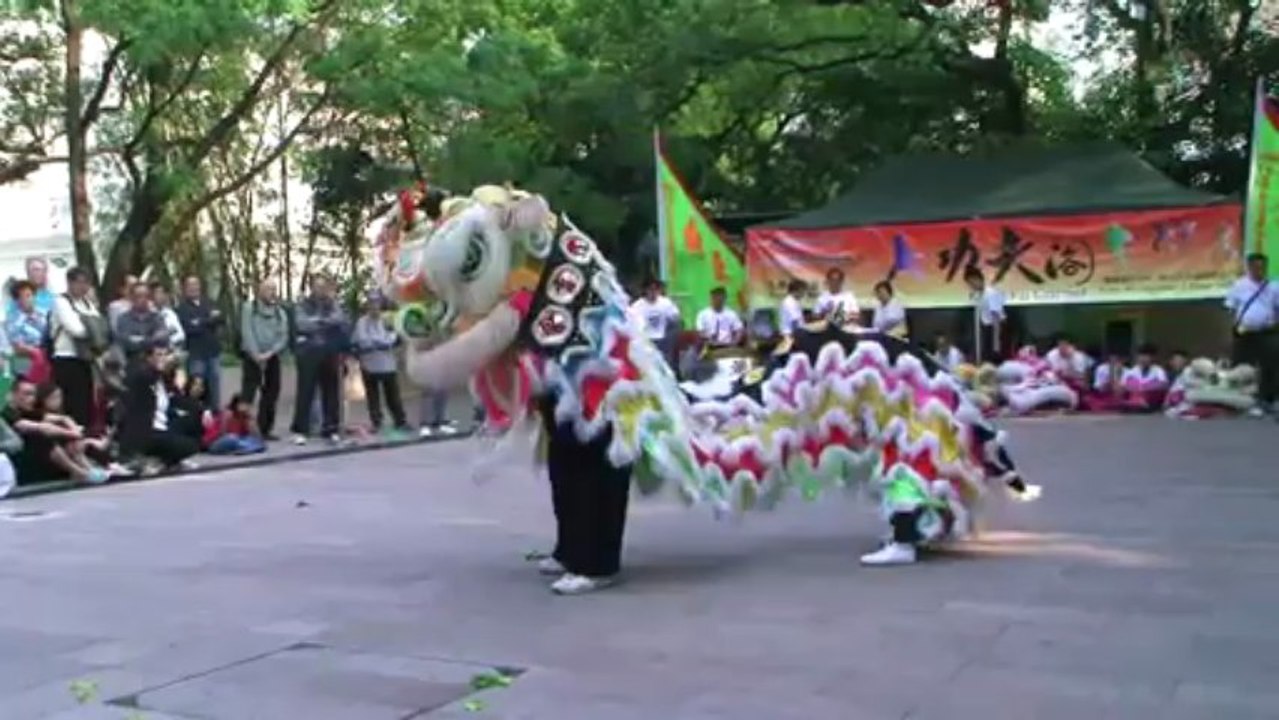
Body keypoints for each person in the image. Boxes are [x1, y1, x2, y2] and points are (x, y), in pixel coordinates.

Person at [2, 378, 109, 485]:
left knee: (69, 437)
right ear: (13, 395)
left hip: (36, 455)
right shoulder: (8, 413)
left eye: (33, 394)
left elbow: (63, 418)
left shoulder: (27, 411)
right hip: (16, 456)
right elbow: (42, 427)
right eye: (27, 394)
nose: (32, 399)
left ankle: (88, 468)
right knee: (41, 438)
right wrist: (72, 433)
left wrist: (74, 431)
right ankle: (80, 473)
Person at [118, 346, 200, 471]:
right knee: (189, 446)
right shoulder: (142, 376)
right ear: (149, 358)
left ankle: (165, 461)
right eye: (159, 355)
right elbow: (148, 376)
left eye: (164, 355)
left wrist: (203, 411)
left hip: (163, 426)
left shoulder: (163, 380)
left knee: (194, 422)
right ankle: (158, 460)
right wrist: (165, 366)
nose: (162, 358)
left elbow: (178, 399)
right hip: (146, 430)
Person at [290, 275, 350, 445]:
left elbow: (340, 319)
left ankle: (330, 429)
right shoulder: (303, 304)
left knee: (331, 391)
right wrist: (324, 322)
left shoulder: (332, 303)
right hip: (308, 353)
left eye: (324, 286)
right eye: (317, 286)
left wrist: (318, 322)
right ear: (311, 288)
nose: (321, 290)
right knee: (305, 391)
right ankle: (300, 430)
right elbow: (302, 324)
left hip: (329, 352)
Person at [49, 267, 110, 429]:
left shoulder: (87, 303)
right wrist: (92, 328)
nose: (83, 287)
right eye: (79, 282)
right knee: (72, 402)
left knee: (86, 402)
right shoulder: (61, 302)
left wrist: (92, 327)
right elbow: (76, 329)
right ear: (70, 282)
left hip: (86, 358)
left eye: (86, 283)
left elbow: (102, 326)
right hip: (66, 358)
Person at [1224, 253, 1279, 416]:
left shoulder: (1274, 286)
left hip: (1267, 331)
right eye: (1255, 267)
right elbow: (1230, 308)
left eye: (1262, 267)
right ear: (1249, 267)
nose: (1259, 270)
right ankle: (1238, 402)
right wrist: (1232, 329)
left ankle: (1267, 400)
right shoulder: (1239, 285)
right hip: (1244, 332)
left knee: (1271, 365)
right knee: (1241, 366)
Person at [352, 295, 409, 436]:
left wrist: (382, 342)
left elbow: (395, 337)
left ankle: (400, 421)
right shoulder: (362, 322)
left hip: (388, 364)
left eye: (376, 304)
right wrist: (381, 342)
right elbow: (363, 340)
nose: (374, 308)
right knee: (373, 396)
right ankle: (376, 421)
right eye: (371, 304)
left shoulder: (388, 320)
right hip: (369, 365)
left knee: (393, 396)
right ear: (367, 306)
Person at [239, 279, 289, 440]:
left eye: (274, 289)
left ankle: (265, 428)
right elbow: (247, 332)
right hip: (252, 356)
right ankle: (241, 427)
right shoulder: (249, 308)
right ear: (259, 291)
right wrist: (256, 355)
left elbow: (283, 336)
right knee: (248, 393)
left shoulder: (280, 312)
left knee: (272, 392)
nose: (272, 293)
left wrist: (270, 353)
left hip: (271, 356)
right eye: (268, 289)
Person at [176, 276, 225, 409]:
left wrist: (200, 321)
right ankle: (197, 414)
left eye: (195, 284)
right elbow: (188, 328)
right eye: (190, 285)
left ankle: (216, 415)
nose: (193, 288)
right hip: (195, 353)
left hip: (213, 352)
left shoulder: (209, 302)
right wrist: (209, 319)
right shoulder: (181, 308)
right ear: (185, 288)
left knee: (214, 385)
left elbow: (221, 319)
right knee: (197, 386)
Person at [6, 280, 50, 382]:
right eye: (23, 297)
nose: (28, 299)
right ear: (17, 301)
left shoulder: (45, 314)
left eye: (30, 295)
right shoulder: (13, 320)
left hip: (47, 356)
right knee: (25, 386)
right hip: (24, 359)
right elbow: (17, 345)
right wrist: (36, 352)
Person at [113, 282, 170, 360]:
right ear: (132, 298)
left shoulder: (157, 317)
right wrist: (152, 339)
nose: (143, 299)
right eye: (139, 296)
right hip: (133, 361)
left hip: (157, 361)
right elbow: (127, 344)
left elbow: (164, 339)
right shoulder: (124, 319)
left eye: (146, 296)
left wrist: (140, 340)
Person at [630, 279, 682, 362]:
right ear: (645, 290)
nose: (653, 292)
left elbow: (675, 318)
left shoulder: (665, 302)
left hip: (662, 340)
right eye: (650, 289)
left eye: (655, 289)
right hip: (645, 341)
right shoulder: (637, 306)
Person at [964, 266, 1007, 363]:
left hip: (996, 328)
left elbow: (997, 317)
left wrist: (996, 344)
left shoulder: (991, 293)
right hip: (986, 328)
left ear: (978, 279)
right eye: (969, 284)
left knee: (993, 358)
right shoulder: (979, 295)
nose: (971, 286)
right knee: (985, 357)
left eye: (972, 283)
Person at [1120, 343, 1169, 411]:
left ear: (1153, 358)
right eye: (1141, 356)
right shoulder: (1131, 372)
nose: (1143, 359)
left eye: (1147, 356)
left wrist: (1145, 387)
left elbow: (1163, 385)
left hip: (1152, 402)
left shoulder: (1159, 370)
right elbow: (1123, 386)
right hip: (1134, 400)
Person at [150, 283, 186, 351]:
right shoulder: (149, 313)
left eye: (163, 293)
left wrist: (170, 342)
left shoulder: (170, 313)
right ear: (151, 295)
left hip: (173, 350)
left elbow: (181, 335)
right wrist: (169, 332)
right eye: (158, 293)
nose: (161, 296)